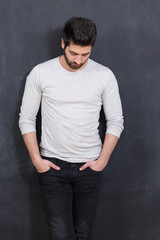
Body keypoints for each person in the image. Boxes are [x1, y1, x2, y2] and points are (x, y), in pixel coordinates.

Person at [19, 17, 124, 240]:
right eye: (74, 53)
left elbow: (115, 121)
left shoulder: (104, 75)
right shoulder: (41, 73)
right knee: (59, 235)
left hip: (89, 166)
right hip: (52, 167)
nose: (78, 60)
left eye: (85, 54)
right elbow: (27, 118)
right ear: (63, 43)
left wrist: (102, 161)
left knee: (83, 234)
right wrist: (37, 160)